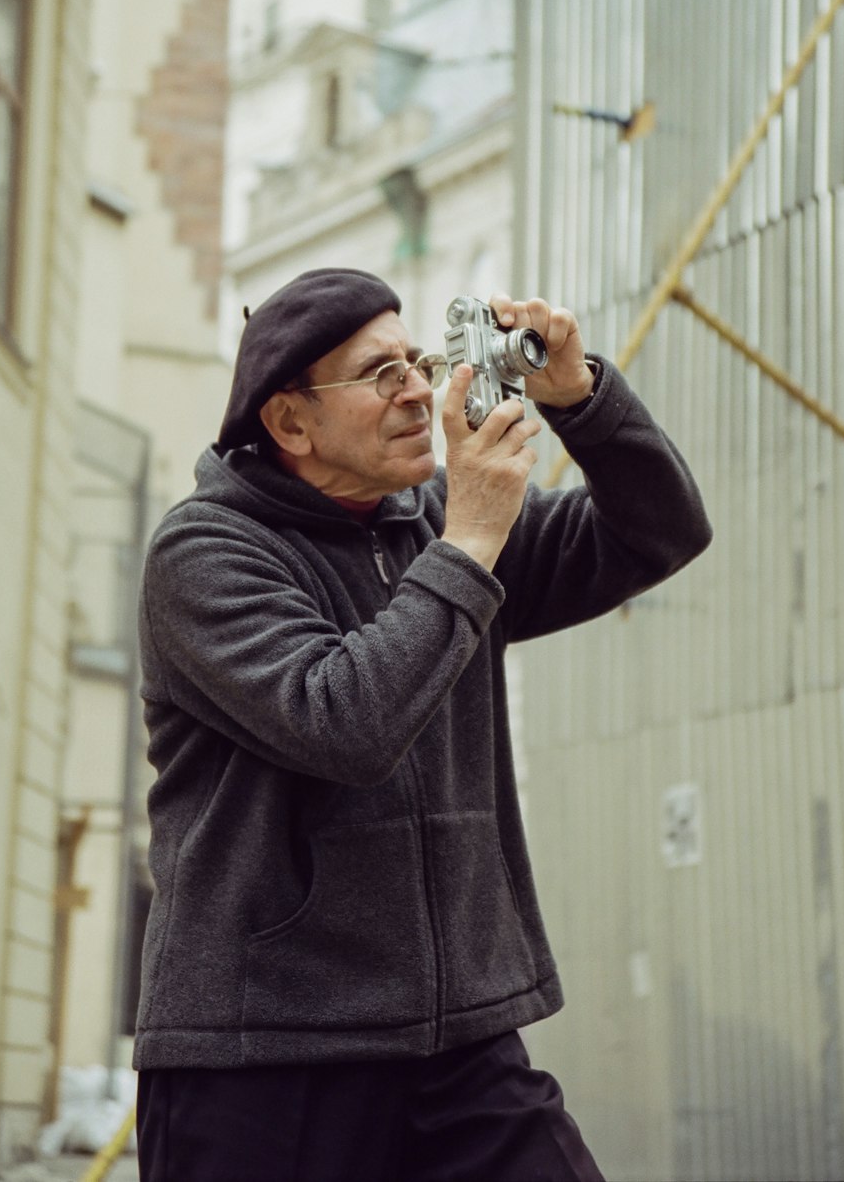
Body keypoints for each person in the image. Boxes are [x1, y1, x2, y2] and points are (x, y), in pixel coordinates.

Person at [133, 267, 712, 1182]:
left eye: (419, 360)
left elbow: (661, 531)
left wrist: (582, 398)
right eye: (380, 375)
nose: (420, 391)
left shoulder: (437, 523)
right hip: (264, 1058)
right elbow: (342, 725)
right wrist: (473, 540)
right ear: (289, 422)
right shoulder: (205, 551)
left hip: (462, 1044)